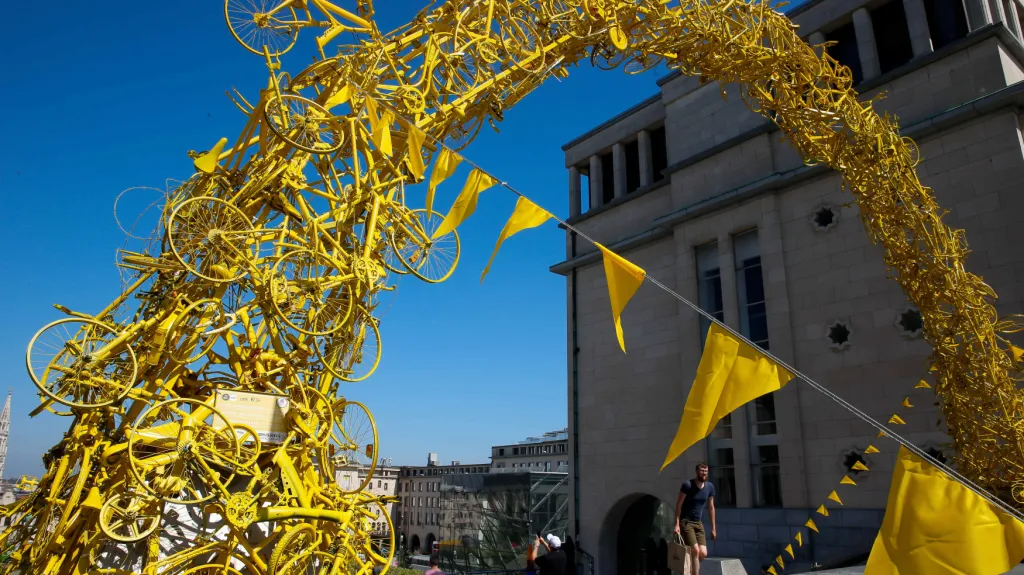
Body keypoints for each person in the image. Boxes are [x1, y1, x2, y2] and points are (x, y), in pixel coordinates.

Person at [674, 462, 717, 575]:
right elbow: (678, 505)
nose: (704, 473)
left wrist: (713, 528)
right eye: (702, 471)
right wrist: (677, 524)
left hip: (698, 523)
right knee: (695, 550)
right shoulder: (687, 485)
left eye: (706, 471)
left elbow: (711, 507)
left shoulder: (710, 487)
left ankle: (689, 570)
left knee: (702, 553)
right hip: (686, 522)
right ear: (697, 471)